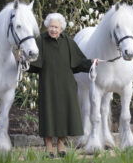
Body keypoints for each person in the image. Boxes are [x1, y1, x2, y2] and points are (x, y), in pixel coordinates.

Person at [27, 13, 97, 158]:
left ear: (61, 28)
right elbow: (33, 64)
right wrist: (23, 61)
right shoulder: (40, 40)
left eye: (56, 27)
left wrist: (92, 62)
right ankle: (48, 146)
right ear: (47, 26)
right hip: (48, 84)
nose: (53, 30)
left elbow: (78, 63)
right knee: (48, 114)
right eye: (51, 26)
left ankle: (60, 144)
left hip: (67, 86)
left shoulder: (69, 42)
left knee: (65, 114)